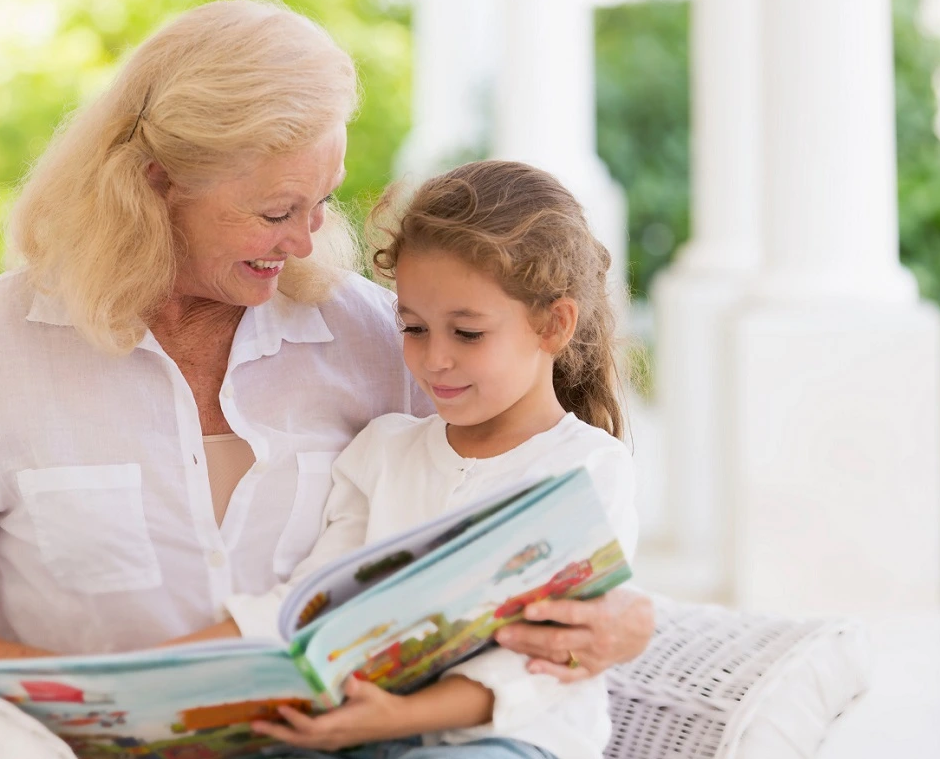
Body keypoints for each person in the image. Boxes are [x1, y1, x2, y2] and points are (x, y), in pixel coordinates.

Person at [0, 0, 653, 696]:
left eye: (321, 203)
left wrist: (626, 620)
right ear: (158, 183)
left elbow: (530, 496)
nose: (305, 243)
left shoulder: (381, 336)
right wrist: (69, 694)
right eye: (275, 211)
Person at [175, 160, 635, 759]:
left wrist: (395, 718)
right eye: (414, 328)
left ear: (554, 324)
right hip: (369, 726)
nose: (434, 359)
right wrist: (181, 672)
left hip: (510, 741)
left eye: (467, 333)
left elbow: (539, 662)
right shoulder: (384, 450)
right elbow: (312, 600)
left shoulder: (585, 468)